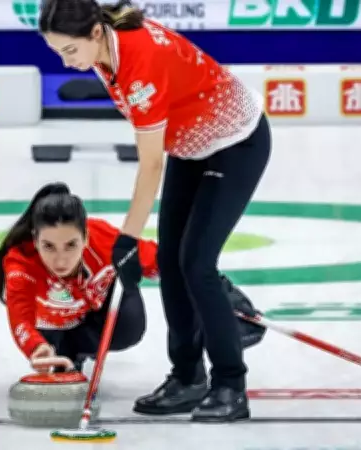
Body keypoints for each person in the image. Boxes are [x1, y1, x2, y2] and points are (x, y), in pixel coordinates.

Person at [38, 0, 272, 422]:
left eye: (69, 51)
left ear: (93, 34)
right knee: (169, 259)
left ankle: (231, 386)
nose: (66, 61)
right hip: (190, 142)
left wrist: (127, 239)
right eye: (58, 53)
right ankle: (187, 377)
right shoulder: (103, 43)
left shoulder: (137, 63)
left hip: (236, 144)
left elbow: (150, 164)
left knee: (196, 263)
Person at [0, 182, 266, 381]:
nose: (60, 260)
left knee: (129, 322)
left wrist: (218, 297)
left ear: (86, 237)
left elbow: (165, 262)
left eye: (71, 245)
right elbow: (20, 318)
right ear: (35, 240)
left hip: (97, 311)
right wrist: (35, 347)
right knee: (54, 340)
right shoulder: (20, 263)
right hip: (54, 323)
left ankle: (82, 346)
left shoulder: (103, 240)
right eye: (49, 247)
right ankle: (64, 349)